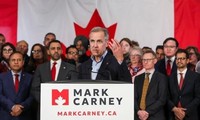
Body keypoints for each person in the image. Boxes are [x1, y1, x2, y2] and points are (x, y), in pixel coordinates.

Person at [31, 40, 77, 120]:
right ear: (48, 51)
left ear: (61, 51)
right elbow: (35, 89)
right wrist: (47, 101)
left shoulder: (71, 68)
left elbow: (74, 89)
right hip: (45, 109)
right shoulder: (40, 68)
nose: (56, 51)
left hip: (64, 110)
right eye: (53, 48)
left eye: (58, 48)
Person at [134, 50, 168, 120]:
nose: (145, 62)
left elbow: (162, 99)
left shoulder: (161, 78)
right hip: (138, 116)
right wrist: (138, 111)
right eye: (144, 60)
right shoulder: (137, 78)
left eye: (148, 60)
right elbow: (134, 97)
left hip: (155, 116)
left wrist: (147, 112)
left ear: (155, 61)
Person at [168, 49, 200, 120]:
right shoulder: (169, 77)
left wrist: (184, 112)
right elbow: (166, 97)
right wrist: (175, 109)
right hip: (173, 115)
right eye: (177, 58)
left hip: (190, 115)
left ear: (188, 60)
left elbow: (198, 97)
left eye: (182, 58)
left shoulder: (196, 77)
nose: (179, 61)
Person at [0, 51, 33, 120]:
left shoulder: (30, 77)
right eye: (13, 60)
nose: (16, 62)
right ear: (9, 62)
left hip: (24, 116)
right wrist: (12, 106)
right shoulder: (1, 77)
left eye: (19, 60)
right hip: (5, 115)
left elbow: (32, 96)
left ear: (23, 62)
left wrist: (21, 107)